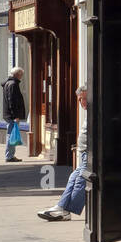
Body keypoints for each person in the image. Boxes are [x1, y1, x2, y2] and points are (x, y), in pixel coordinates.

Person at [38, 86, 88, 221]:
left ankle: (65, 209)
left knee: (80, 180)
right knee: (73, 177)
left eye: (84, 98)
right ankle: (61, 207)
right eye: (80, 100)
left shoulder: (96, 111)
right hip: (84, 153)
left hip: (90, 153)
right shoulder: (89, 111)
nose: (82, 102)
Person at [2, 66, 26, 162]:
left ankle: (10, 155)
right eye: (21, 75)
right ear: (17, 75)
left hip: (8, 114)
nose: (21, 77)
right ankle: (9, 156)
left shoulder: (9, 83)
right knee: (11, 135)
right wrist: (15, 115)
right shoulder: (13, 84)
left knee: (10, 134)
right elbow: (11, 101)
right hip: (11, 115)